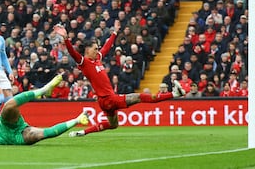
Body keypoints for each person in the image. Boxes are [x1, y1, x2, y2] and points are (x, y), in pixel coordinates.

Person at [53, 21, 186, 137]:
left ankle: (82, 132)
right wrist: (66, 39)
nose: (97, 50)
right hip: (108, 98)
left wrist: (115, 33)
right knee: (140, 97)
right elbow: (73, 53)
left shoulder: (97, 59)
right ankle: (174, 94)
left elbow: (106, 47)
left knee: (113, 125)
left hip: (105, 101)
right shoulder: (84, 62)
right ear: (87, 50)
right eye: (95, 48)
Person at [0, 74, 89, 145]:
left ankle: (44, 89)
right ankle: (77, 119)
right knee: (44, 134)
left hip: (12, 125)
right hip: (18, 138)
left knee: (9, 105)